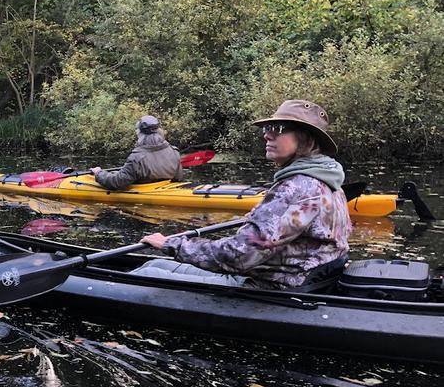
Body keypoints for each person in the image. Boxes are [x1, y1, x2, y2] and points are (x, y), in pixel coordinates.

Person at [135, 100, 352, 289]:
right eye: (267, 128)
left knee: (145, 275)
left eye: (277, 128)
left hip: (271, 286)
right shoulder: (328, 179)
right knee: (154, 264)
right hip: (298, 277)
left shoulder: (296, 187)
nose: (267, 134)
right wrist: (257, 219)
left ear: (305, 139)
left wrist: (172, 244)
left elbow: (240, 256)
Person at [90, 115, 184, 189]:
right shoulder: (174, 151)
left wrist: (99, 173)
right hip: (167, 189)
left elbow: (117, 182)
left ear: (140, 134)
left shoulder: (136, 158)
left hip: (145, 191)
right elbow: (178, 178)